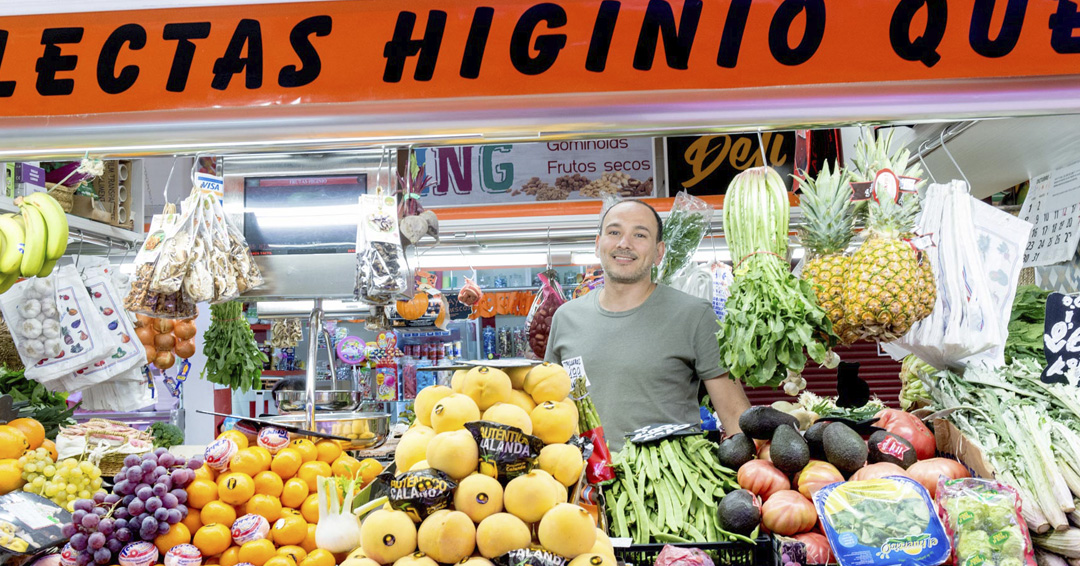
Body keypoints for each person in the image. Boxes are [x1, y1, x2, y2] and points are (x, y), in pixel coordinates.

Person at [544, 199, 751, 451]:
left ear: (659, 252)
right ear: (598, 244)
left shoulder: (694, 315)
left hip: (668, 482)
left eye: (639, 234)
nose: (624, 243)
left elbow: (734, 415)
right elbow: (548, 406)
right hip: (585, 483)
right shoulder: (566, 317)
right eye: (614, 232)